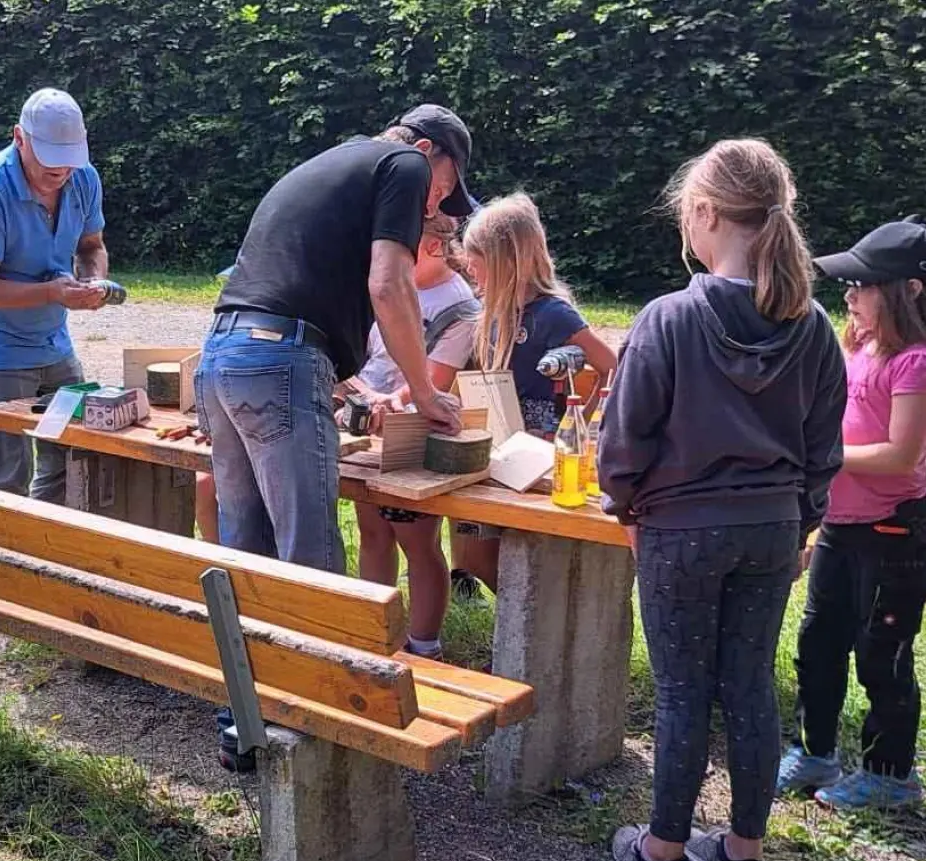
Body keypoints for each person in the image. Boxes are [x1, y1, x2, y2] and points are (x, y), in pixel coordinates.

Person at [598, 138, 847, 861]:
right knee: (746, 685)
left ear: (702, 213)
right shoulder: (813, 328)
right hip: (771, 531)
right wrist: (801, 523)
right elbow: (822, 446)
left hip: (681, 530)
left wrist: (624, 502)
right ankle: (741, 852)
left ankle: (665, 851)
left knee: (681, 690)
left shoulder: (668, 319)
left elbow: (625, 434)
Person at [197, 104, 473, 575]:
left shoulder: (334, 163)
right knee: (311, 561)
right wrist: (423, 393)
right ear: (426, 149)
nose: (431, 207)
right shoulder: (405, 164)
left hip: (222, 353)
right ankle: (312, 652)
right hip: (278, 359)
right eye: (441, 189)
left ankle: (245, 650)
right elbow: (389, 285)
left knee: (245, 549)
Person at [776, 217, 926, 812]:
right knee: (818, 643)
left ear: (908, 291)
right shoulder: (858, 345)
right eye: (847, 285)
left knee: (882, 654)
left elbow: (900, 454)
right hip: (841, 527)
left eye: (863, 285)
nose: (848, 295)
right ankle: (815, 752)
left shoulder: (917, 362)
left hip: (893, 534)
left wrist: (823, 455)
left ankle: (890, 773)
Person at [448, 193, 619, 600]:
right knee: (473, 553)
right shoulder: (487, 311)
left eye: (478, 256)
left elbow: (611, 364)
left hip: (539, 452)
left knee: (518, 548)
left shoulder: (552, 313)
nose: (469, 265)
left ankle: (530, 617)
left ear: (509, 258)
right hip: (497, 444)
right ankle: (519, 611)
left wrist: (578, 423)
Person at [0, 88, 110, 501]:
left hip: (53, 342)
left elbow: (91, 247)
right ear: (19, 138)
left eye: (69, 158)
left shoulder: (84, 178)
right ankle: (9, 562)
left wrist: (94, 281)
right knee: (9, 473)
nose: (60, 170)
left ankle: (46, 554)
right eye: (49, 157)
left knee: (70, 455)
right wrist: (52, 293)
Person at [345, 213, 479, 660]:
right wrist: (364, 397)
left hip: (418, 435)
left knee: (417, 541)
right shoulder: (381, 283)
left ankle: (424, 648)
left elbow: (437, 378)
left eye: (403, 246)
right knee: (372, 531)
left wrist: (389, 400)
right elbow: (361, 357)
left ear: (436, 246)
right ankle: (374, 634)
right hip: (370, 430)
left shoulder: (460, 308)